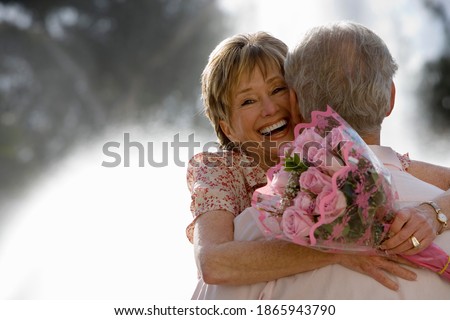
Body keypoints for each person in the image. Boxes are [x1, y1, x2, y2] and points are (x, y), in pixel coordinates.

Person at [186, 30, 450, 299]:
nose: (270, 109)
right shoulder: (222, 170)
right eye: (248, 101)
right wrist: (335, 251)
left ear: (298, 97)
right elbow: (212, 262)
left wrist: (434, 212)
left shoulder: (334, 154)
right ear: (227, 128)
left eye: (278, 89)